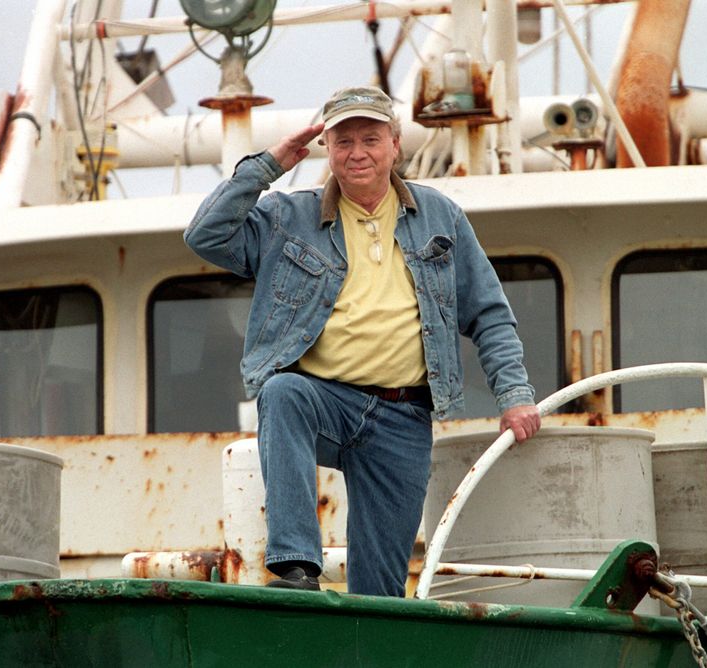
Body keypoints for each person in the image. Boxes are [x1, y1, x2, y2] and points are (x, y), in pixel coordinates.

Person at [183, 86, 541, 597]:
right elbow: (205, 236)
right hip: (328, 402)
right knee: (282, 394)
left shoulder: (442, 216)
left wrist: (515, 396)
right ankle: (296, 569)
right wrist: (269, 164)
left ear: (395, 144)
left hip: (405, 418)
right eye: (343, 140)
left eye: (371, 138)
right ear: (325, 149)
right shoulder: (288, 216)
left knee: (380, 591)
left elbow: (489, 314)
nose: (357, 153)